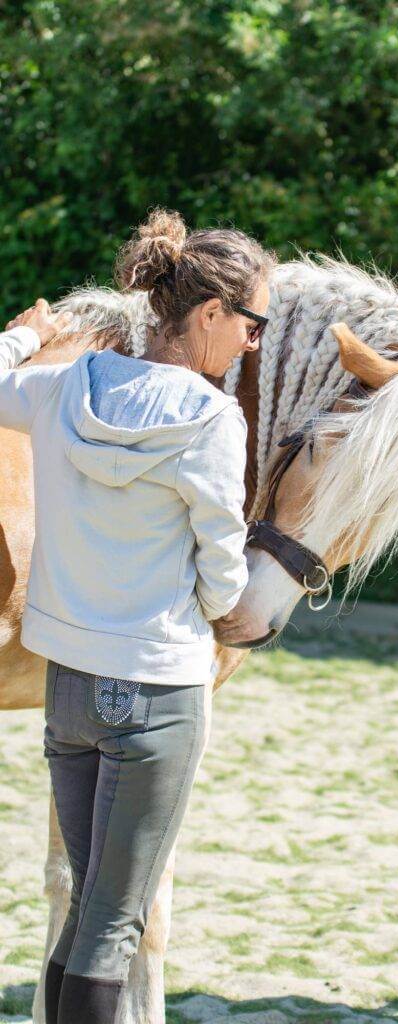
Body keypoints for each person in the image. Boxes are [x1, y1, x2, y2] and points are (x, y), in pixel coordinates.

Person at [0, 209, 273, 1024]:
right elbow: (223, 574)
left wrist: (21, 334)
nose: (254, 341)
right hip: (155, 691)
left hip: (70, 692)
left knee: (87, 910)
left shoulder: (64, 386)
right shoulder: (214, 421)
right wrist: (233, 610)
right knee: (115, 922)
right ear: (211, 315)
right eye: (251, 321)